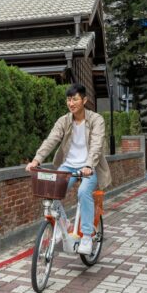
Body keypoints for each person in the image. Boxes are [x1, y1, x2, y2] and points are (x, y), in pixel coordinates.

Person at [25, 83, 112, 254]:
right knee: (51, 193)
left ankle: (86, 236)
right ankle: (63, 224)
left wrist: (89, 165)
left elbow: (97, 144)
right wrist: (36, 160)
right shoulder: (64, 120)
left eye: (75, 99)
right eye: (68, 100)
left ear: (84, 100)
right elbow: (51, 140)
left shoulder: (96, 120)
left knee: (83, 192)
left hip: (89, 166)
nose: (71, 103)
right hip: (68, 166)